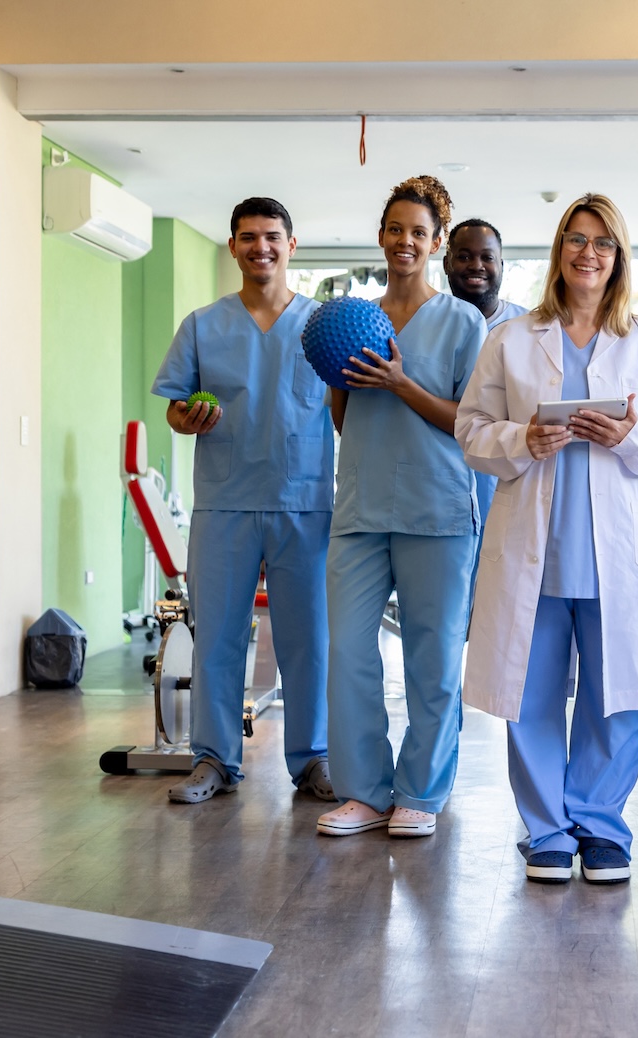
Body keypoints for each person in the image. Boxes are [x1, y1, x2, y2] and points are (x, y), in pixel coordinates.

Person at [457, 193, 638, 884]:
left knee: (614, 695)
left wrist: (631, 437)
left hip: (616, 556)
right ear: (560, 250)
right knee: (530, 696)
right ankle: (546, 832)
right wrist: (522, 437)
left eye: (602, 242)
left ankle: (599, 826)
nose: (587, 252)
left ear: (618, 256)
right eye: (576, 238)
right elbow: (472, 429)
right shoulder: (511, 339)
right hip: (536, 554)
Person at [315, 175, 486, 840]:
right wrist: (347, 380)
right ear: (380, 237)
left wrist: (401, 382)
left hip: (438, 514)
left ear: (437, 243)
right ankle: (363, 790)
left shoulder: (463, 323)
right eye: (395, 230)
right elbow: (344, 415)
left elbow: (470, 423)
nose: (404, 242)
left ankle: (420, 792)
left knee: (433, 660)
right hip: (359, 508)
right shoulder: (351, 318)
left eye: (419, 232)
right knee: (349, 651)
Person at [153, 197, 334, 805]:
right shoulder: (203, 325)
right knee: (219, 638)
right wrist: (190, 418)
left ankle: (312, 759)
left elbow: (349, 408)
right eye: (249, 237)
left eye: (272, 236)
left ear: (292, 244)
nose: (262, 247)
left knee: (306, 638)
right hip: (226, 501)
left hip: (304, 501)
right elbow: (176, 409)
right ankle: (212, 759)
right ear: (232, 246)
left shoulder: (320, 324)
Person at [445, 218, 529, 533]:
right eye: (464, 256)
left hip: (508, 487)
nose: (476, 265)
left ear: (501, 265)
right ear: (446, 263)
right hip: (439, 487)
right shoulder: (429, 325)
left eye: (487, 257)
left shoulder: (530, 329)